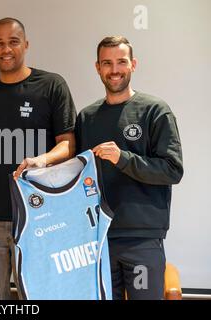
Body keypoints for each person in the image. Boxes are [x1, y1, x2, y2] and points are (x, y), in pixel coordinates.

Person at [0, 17, 77, 299]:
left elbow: (67, 145)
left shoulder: (52, 85)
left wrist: (42, 160)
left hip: (38, 215)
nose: (6, 49)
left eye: (13, 42)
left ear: (25, 45)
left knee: (40, 296)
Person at [75, 36, 183, 300]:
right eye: (107, 63)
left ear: (133, 64)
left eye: (121, 62)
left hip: (142, 240)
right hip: (98, 239)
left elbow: (172, 169)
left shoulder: (154, 110)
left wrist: (122, 158)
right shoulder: (87, 117)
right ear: (98, 67)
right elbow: (78, 174)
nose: (115, 70)